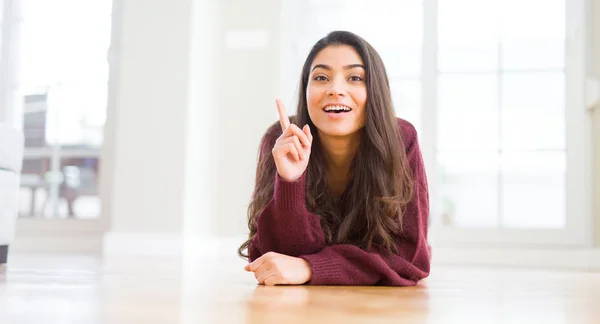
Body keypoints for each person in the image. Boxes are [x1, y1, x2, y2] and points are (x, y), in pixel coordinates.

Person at [239, 31, 431, 286]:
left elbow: (409, 258)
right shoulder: (282, 139)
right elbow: (275, 260)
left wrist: (311, 267)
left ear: (376, 91)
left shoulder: (400, 139)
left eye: (354, 77)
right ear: (306, 90)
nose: (335, 90)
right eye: (321, 77)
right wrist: (290, 181)